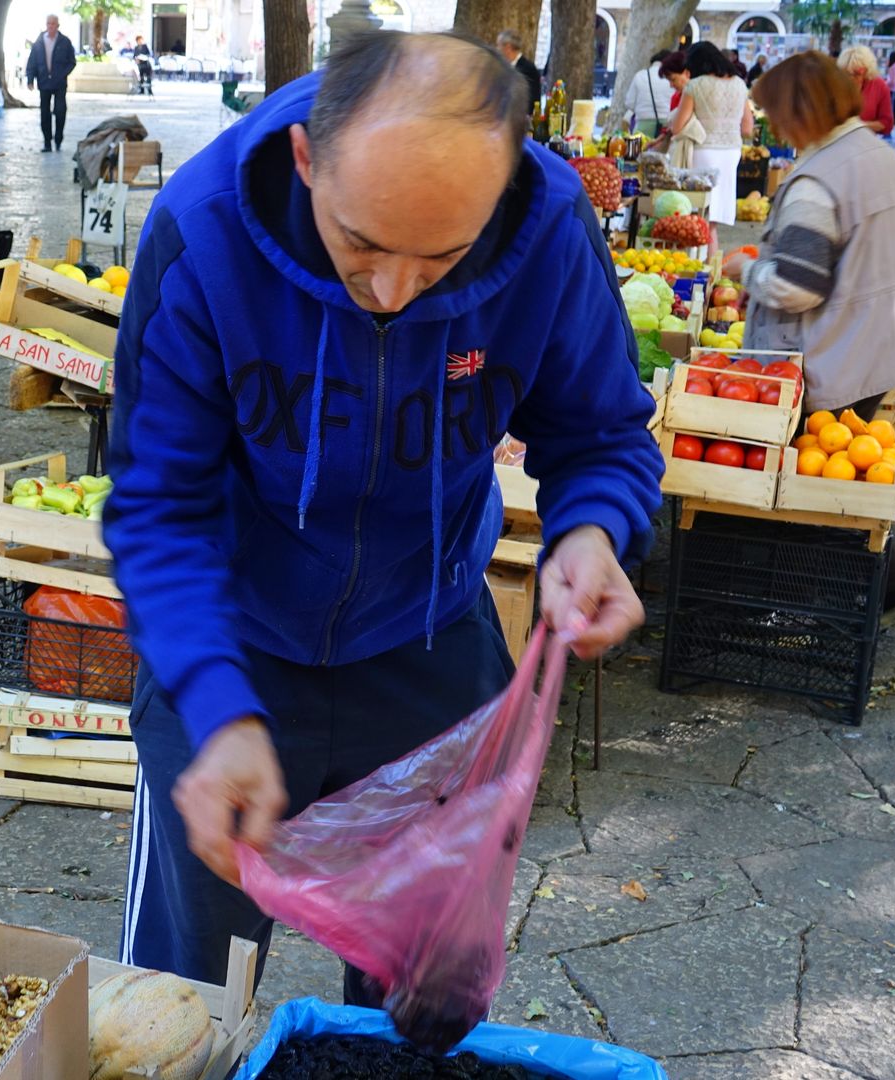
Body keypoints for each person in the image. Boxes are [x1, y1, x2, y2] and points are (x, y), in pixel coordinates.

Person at [106, 31, 662, 1028]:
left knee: (424, 1005)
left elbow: (604, 434)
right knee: (172, 1006)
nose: (398, 292)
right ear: (310, 162)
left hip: (428, 650)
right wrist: (216, 704)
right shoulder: (202, 230)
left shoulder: (549, 231)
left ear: (494, 199)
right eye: (361, 244)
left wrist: (591, 534)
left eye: (440, 258)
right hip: (228, 649)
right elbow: (157, 504)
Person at [725, 52, 895, 627]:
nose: (771, 127)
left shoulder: (819, 180)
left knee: (810, 489)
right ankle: (891, 589)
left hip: (830, 352)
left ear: (799, 111)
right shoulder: (882, 158)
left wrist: (746, 271)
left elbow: (796, 285)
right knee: (839, 477)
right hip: (881, 345)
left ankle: (807, 609)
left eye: (773, 114)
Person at [670, 41, 751, 226]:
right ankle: (711, 255)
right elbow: (747, 128)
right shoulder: (739, 84)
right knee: (712, 219)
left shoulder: (695, 85)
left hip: (703, 150)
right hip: (731, 152)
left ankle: (695, 254)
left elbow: (678, 126)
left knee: (696, 212)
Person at [25, 14, 76, 152]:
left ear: (57, 25)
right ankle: (47, 142)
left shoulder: (65, 42)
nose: (50, 26)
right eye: (48, 23)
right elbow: (32, 62)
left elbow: (72, 62)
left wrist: (62, 74)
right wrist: (30, 79)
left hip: (59, 84)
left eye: (53, 23)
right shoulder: (39, 42)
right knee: (44, 113)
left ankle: (58, 138)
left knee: (60, 111)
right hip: (44, 82)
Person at [839, 46, 893, 137]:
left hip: (865, 142)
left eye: (857, 73)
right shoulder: (836, 85)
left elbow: (887, 124)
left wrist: (858, 126)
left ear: (867, 71)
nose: (851, 78)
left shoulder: (879, 86)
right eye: (847, 73)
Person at [625, 48, 671, 137]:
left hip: (642, 126)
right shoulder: (672, 77)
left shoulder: (640, 75)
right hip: (666, 127)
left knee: (641, 150)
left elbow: (629, 103)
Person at [494, 29, 539, 115]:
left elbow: (530, 100)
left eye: (498, 45)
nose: (497, 49)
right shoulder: (503, 66)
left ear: (507, 47)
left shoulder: (528, 69)